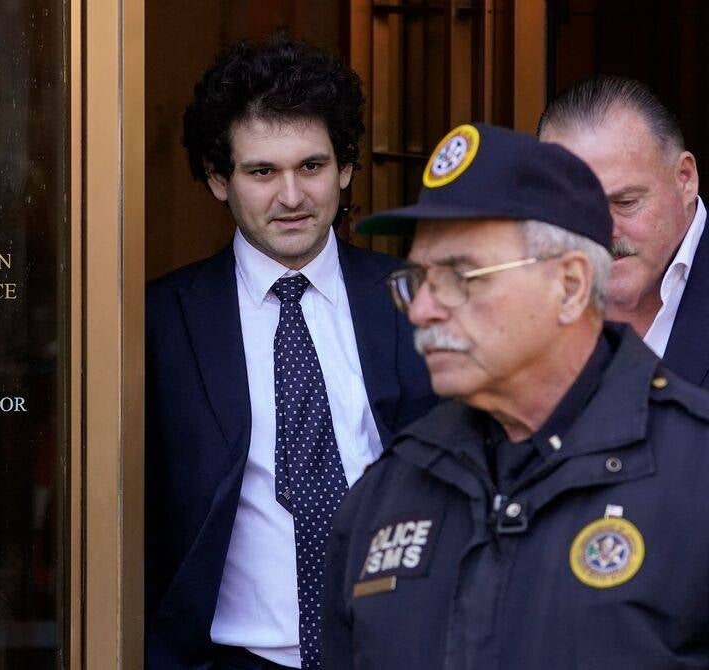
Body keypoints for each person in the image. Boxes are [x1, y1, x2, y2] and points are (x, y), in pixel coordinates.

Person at [323, 122, 709, 668]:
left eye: (462, 276)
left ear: (571, 285)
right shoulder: (387, 491)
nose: (424, 310)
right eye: (418, 279)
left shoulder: (694, 472)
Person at [146, 35, 436, 670]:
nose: (293, 196)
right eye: (261, 172)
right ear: (218, 179)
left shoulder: (417, 301)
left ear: (346, 169)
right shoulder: (161, 322)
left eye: (311, 166)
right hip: (233, 657)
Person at [538, 75, 709, 387]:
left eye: (626, 202)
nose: (602, 230)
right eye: (577, 208)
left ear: (685, 178)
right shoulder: (522, 287)